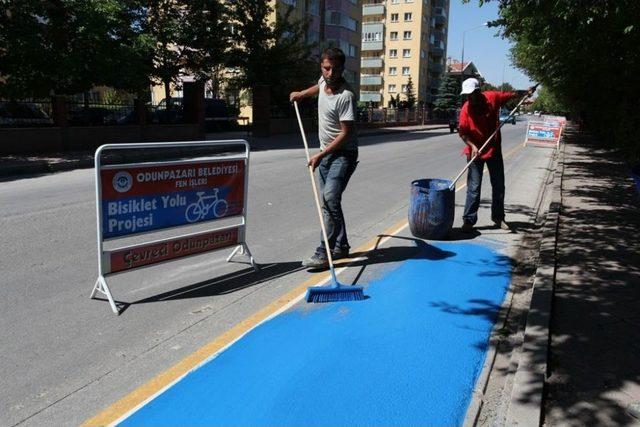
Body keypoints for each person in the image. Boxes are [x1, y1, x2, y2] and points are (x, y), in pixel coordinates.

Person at [289, 47, 359, 269]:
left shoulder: (346, 96)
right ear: (322, 67)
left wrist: (320, 154)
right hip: (325, 154)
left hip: (342, 154)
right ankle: (342, 246)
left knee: (329, 200)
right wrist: (301, 94)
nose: (330, 74)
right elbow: (318, 87)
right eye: (326, 68)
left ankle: (324, 252)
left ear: (342, 69)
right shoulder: (323, 81)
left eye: (335, 69)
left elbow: (345, 133)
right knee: (332, 202)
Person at [457, 78, 535, 232]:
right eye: (466, 95)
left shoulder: (492, 97)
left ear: (478, 92)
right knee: (474, 187)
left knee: (498, 185)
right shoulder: (466, 109)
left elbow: (511, 94)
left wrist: (526, 92)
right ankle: (469, 221)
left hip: (493, 148)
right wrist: (472, 146)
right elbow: (463, 132)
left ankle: (498, 218)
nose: (468, 98)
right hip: (474, 151)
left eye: (470, 94)